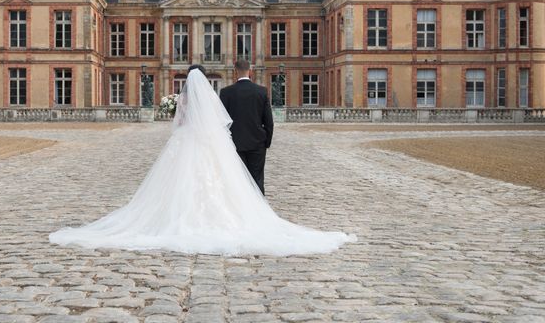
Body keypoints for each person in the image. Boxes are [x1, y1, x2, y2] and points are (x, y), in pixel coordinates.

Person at [49, 68, 355, 256]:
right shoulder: (231, 97)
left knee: (178, 182)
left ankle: (184, 216)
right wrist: (262, 140)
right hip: (217, 145)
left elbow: (183, 123)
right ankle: (249, 211)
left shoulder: (200, 99)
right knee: (223, 182)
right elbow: (227, 123)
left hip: (186, 145)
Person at [219, 59, 273, 195]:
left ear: (235, 72)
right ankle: (260, 208)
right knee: (257, 178)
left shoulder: (226, 92)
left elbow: (222, 121)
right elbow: (269, 122)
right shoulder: (261, 91)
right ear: (250, 71)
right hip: (257, 143)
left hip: (235, 143)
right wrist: (266, 141)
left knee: (238, 179)